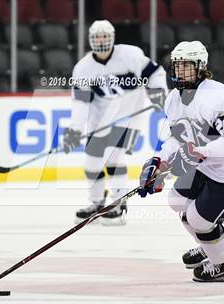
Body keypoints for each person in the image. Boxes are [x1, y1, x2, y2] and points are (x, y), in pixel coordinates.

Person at [138, 41, 224, 282]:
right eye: (176, 66)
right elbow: (179, 137)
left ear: (200, 67)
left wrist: (199, 152)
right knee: (177, 200)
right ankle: (210, 243)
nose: (179, 72)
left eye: (186, 66)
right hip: (208, 158)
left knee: (199, 220)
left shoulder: (219, 98)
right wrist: (158, 161)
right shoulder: (174, 100)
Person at [63, 20, 168, 226]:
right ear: (91, 40)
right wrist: (75, 130)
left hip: (131, 114)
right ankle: (97, 203)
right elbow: (81, 104)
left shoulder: (129, 55)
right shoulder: (83, 68)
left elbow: (155, 73)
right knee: (92, 161)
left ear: (112, 37)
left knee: (113, 155)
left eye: (105, 36)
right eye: (97, 37)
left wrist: (157, 92)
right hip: (101, 118)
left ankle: (119, 204)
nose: (101, 41)